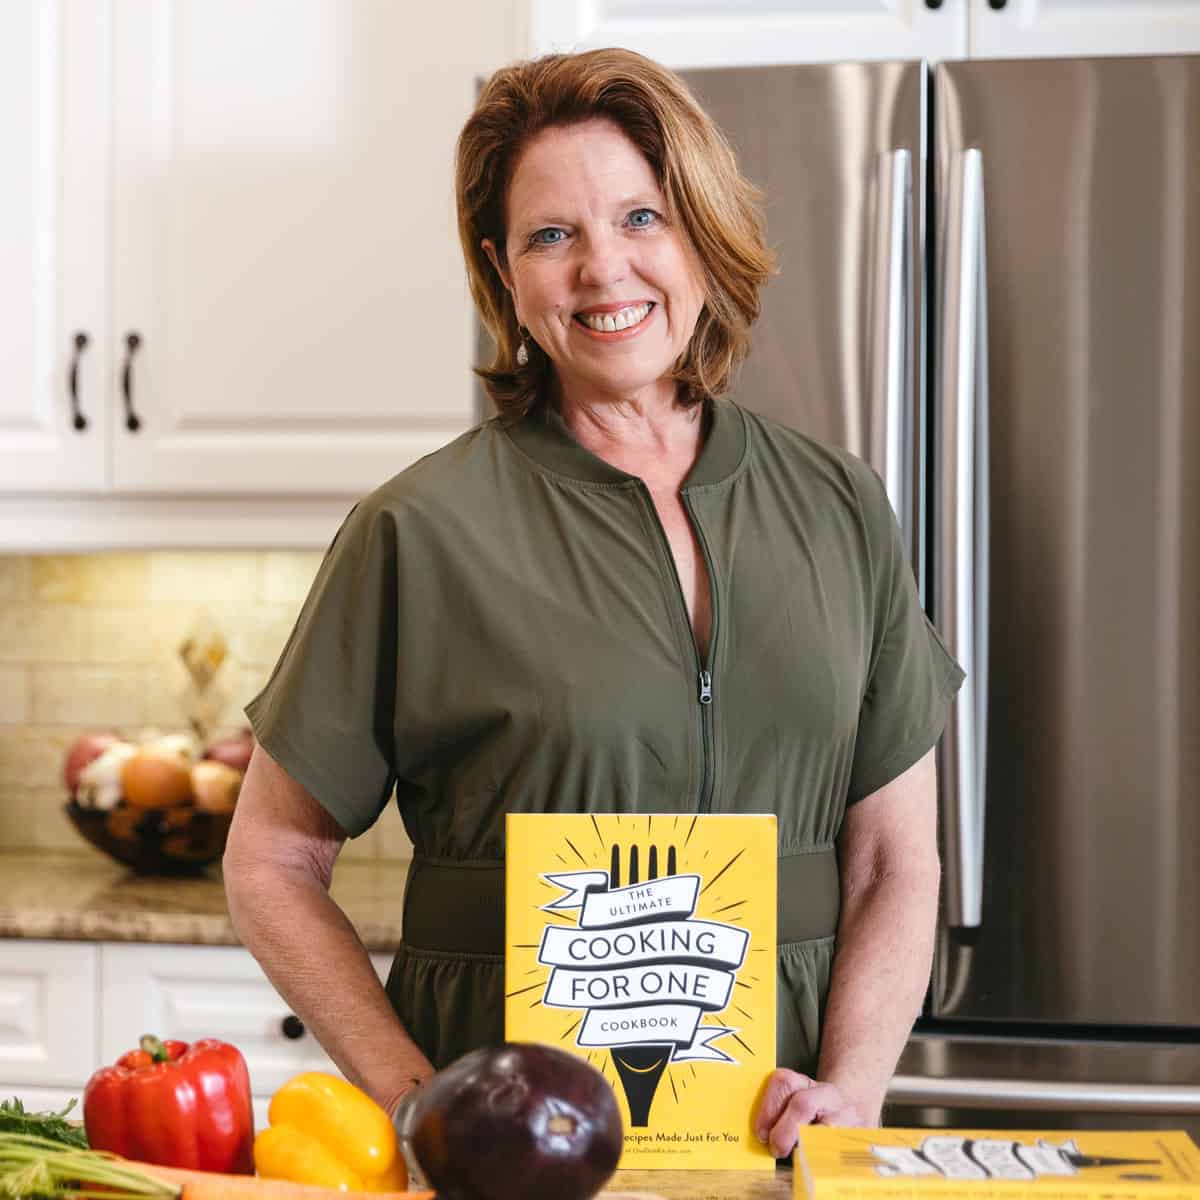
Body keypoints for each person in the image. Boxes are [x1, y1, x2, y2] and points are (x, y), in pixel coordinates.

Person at [223, 47, 964, 1159]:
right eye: (551, 235)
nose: (603, 270)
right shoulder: (419, 530)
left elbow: (894, 859)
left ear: (703, 237)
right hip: (504, 1142)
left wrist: (854, 1090)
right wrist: (414, 1097)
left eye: (642, 218)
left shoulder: (840, 507)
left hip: (786, 1140)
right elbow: (271, 859)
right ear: (503, 272)